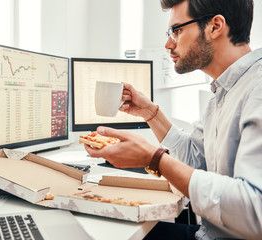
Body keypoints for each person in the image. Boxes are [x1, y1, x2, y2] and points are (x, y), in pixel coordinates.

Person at [83, 0, 262, 239]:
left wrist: (154, 158)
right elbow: (193, 159)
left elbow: (254, 211)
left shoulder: (257, 89)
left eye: (177, 31)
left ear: (215, 26)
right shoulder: (223, 93)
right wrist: (150, 114)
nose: (169, 44)